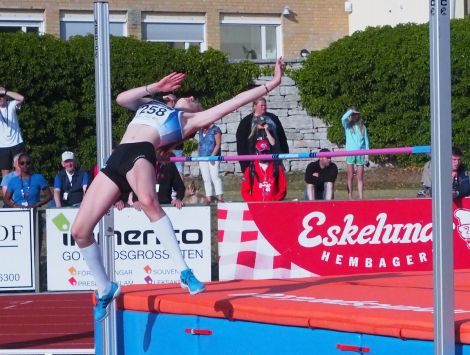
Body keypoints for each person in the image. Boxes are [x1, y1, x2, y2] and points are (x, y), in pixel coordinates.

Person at [70, 57, 285, 322]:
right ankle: (105, 288)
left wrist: (272, 83)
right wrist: (155, 86)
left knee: (149, 201)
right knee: (79, 232)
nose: (190, 95)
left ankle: (184, 272)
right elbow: (122, 99)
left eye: (194, 98)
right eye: (189, 95)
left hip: (141, 153)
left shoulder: (191, 120)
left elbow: (237, 100)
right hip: (117, 158)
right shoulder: (152, 103)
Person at [236, 97, 289, 172]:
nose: (264, 107)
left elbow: (281, 135)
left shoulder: (273, 118)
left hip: (274, 156)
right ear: (255, 106)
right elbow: (241, 141)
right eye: (261, 105)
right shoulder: (246, 121)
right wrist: (244, 162)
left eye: (265, 105)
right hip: (254, 159)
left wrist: (285, 150)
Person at [341, 107, 369, 200]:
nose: (355, 116)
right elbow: (343, 118)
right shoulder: (347, 125)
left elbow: (366, 142)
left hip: (360, 154)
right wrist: (350, 111)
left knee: (360, 177)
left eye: (356, 114)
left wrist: (366, 156)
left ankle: (361, 198)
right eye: (353, 114)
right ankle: (350, 197)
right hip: (350, 154)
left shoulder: (363, 127)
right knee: (350, 175)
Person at [0, 87, 25, 177]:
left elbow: (21, 98)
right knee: (5, 173)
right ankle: (7, 191)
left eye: (2, 96)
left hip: (16, 143)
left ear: (6, 96)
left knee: (21, 169)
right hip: (2, 146)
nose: (0, 98)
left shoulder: (11, 104)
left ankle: (22, 190)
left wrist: (5, 91)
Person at [198, 124, 224, 204]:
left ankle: (220, 197)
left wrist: (212, 156)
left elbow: (218, 144)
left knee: (215, 177)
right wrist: (198, 155)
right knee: (206, 179)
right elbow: (200, 143)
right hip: (202, 157)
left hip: (213, 157)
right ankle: (208, 198)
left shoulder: (216, 129)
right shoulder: (200, 130)